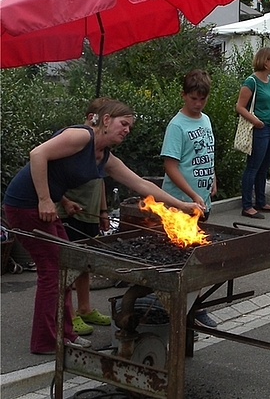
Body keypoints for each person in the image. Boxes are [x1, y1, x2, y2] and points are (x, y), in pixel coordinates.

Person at [3, 100, 201, 355]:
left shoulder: (105, 158)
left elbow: (142, 186)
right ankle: (44, 341)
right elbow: (38, 155)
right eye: (124, 123)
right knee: (52, 271)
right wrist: (44, 199)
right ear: (106, 120)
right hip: (23, 205)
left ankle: (65, 334)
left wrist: (181, 205)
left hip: (42, 204)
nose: (127, 130)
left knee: (66, 265)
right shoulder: (81, 136)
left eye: (130, 126)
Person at [160, 69, 218, 328]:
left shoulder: (205, 120)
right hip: (179, 203)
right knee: (181, 260)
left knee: (199, 258)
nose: (198, 104)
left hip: (202, 201)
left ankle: (195, 307)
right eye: (193, 98)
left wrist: (212, 177)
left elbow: (206, 152)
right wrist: (192, 193)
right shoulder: (177, 125)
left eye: (202, 99)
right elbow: (170, 166)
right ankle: (180, 310)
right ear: (184, 95)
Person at [57, 98, 113, 338]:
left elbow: (100, 181)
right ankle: (70, 315)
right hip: (68, 212)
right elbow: (53, 176)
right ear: (93, 117)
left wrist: (103, 210)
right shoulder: (76, 142)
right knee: (70, 263)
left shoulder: (101, 150)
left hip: (90, 213)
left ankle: (86, 307)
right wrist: (65, 202)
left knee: (86, 262)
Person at [237, 47, 270, 219]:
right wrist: (256, 121)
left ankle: (261, 201)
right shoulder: (251, 81)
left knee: (264, 166)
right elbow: (240, 107)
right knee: (253, 166)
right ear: (265, 61)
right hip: (260, 129)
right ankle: (247, 206)